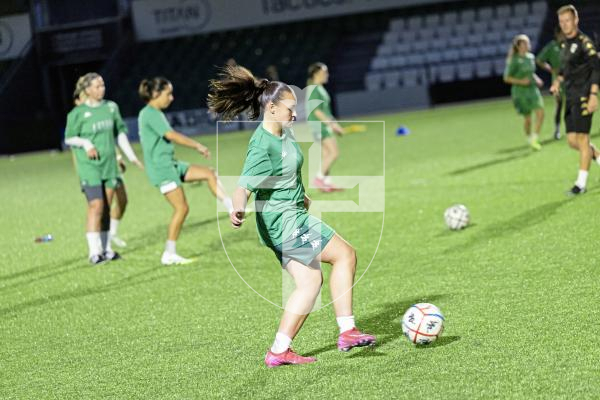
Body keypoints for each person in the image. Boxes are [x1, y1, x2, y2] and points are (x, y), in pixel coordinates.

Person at [208, 65, 375, 368]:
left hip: (290, 214)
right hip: (284, 222)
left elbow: (285, 174)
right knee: (345, 255)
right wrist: (237, 207)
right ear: (271, 108)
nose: (295, 113)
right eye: (289, 108)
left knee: (310, 282)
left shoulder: (283, 133)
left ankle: (279, 350)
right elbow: (243, 186)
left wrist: (302, 195)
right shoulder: (262, 145)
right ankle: (347, 330)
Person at [138, 77, 234, 265]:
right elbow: (171, 135)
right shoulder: (150, 113)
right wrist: (196, 145)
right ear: (156, 94)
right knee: (181, 208)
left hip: (171, 164)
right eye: (168, 94)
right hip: (162, 169)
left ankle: (231, 208)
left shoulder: (152, 112)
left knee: (209, 173)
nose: (171, 98)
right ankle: (169, 253)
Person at [65, 73, 138, 265]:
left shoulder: (111, 107)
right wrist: (87, 144)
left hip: (109, 165)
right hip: (89, 167)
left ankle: (106, 250)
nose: (101, 89)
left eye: (102, 85)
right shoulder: (77, 114)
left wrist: (130, 156)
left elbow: (120, 133)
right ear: (87, 90)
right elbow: (69, 138)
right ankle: (93, 252)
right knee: (95, 205)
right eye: (97, 86)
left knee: (106, 207)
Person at [550, 4, 600, 195]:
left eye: (567, 20)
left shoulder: (585, 43)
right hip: (570, 97)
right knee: (573, 141)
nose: (564, 24)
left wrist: (593, 95)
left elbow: (596, 69)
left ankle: (580, 185)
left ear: (576, 20)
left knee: (583, 139)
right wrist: (557, 81)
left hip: (584, 96)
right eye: (561, 21)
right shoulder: (564, 43)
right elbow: (565, 70)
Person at [306, 62, 345, 192]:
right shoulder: (315, 89)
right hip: (320, 127)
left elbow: (325, 110)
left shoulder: (318, 88)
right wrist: (333, 125)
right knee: (334, 153)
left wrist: (334, 124)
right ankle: (319, 179)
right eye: (325, 72)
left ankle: (327, 183)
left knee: (327, 154)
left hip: (322, 126)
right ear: (317, 74)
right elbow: (317, 111)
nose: (327, 75)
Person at [503, 34, 545, 150]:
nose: (528, 45)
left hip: (532, 89)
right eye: (525, 43)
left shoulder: (530, 57)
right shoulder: (514, 60)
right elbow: (506, 78)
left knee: (541, 112)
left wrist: (536, 79)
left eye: (528, 42)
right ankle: (528, 137)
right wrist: (521, 81)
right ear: (518, 46)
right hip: (520, 92)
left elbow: (531, 72)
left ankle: (534, 138)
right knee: (528, 119)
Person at [537, 27, 565, 140]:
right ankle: (557, 130)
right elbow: (539, 60)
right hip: (557, 80)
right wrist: (551, 69)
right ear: (557, 34)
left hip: (571, 78)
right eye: (562, 34)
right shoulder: (552, 46)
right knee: (559, 104)